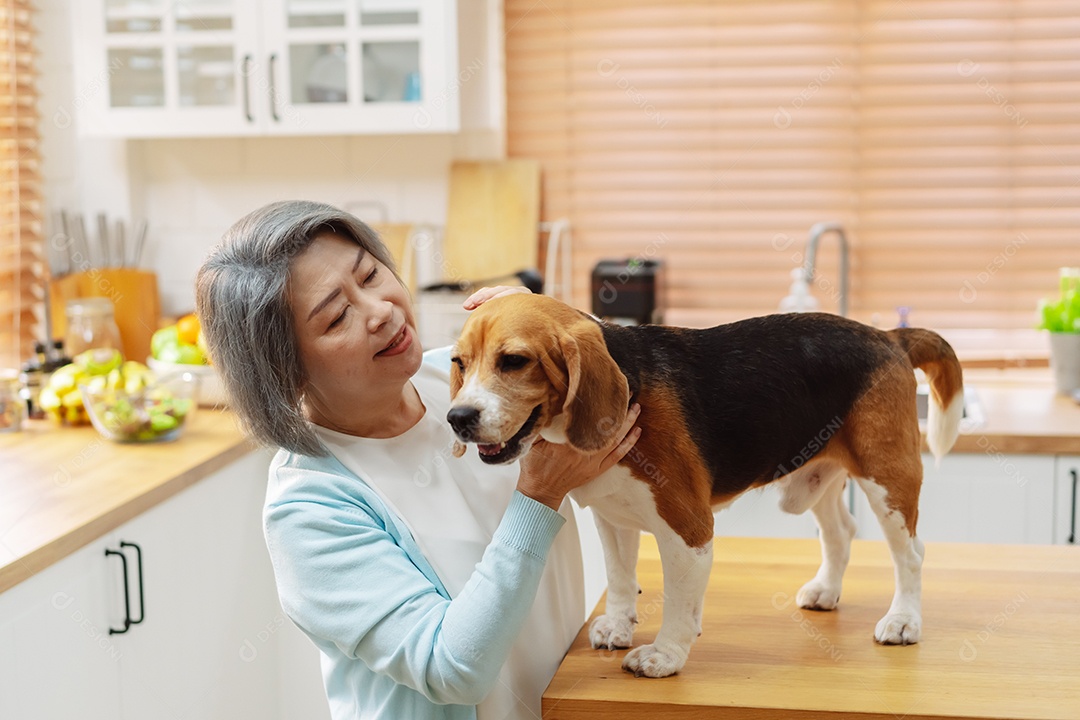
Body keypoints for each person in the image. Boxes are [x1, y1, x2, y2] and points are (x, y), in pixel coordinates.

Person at [195, 200, 642, 720]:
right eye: (338, 316)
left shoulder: (466, 379)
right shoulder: (309, 509)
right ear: (284, 369)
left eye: (370, 274)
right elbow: (452, 670)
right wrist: (537, 498)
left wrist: (550, 322)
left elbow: (620, 389)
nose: (380, 309)